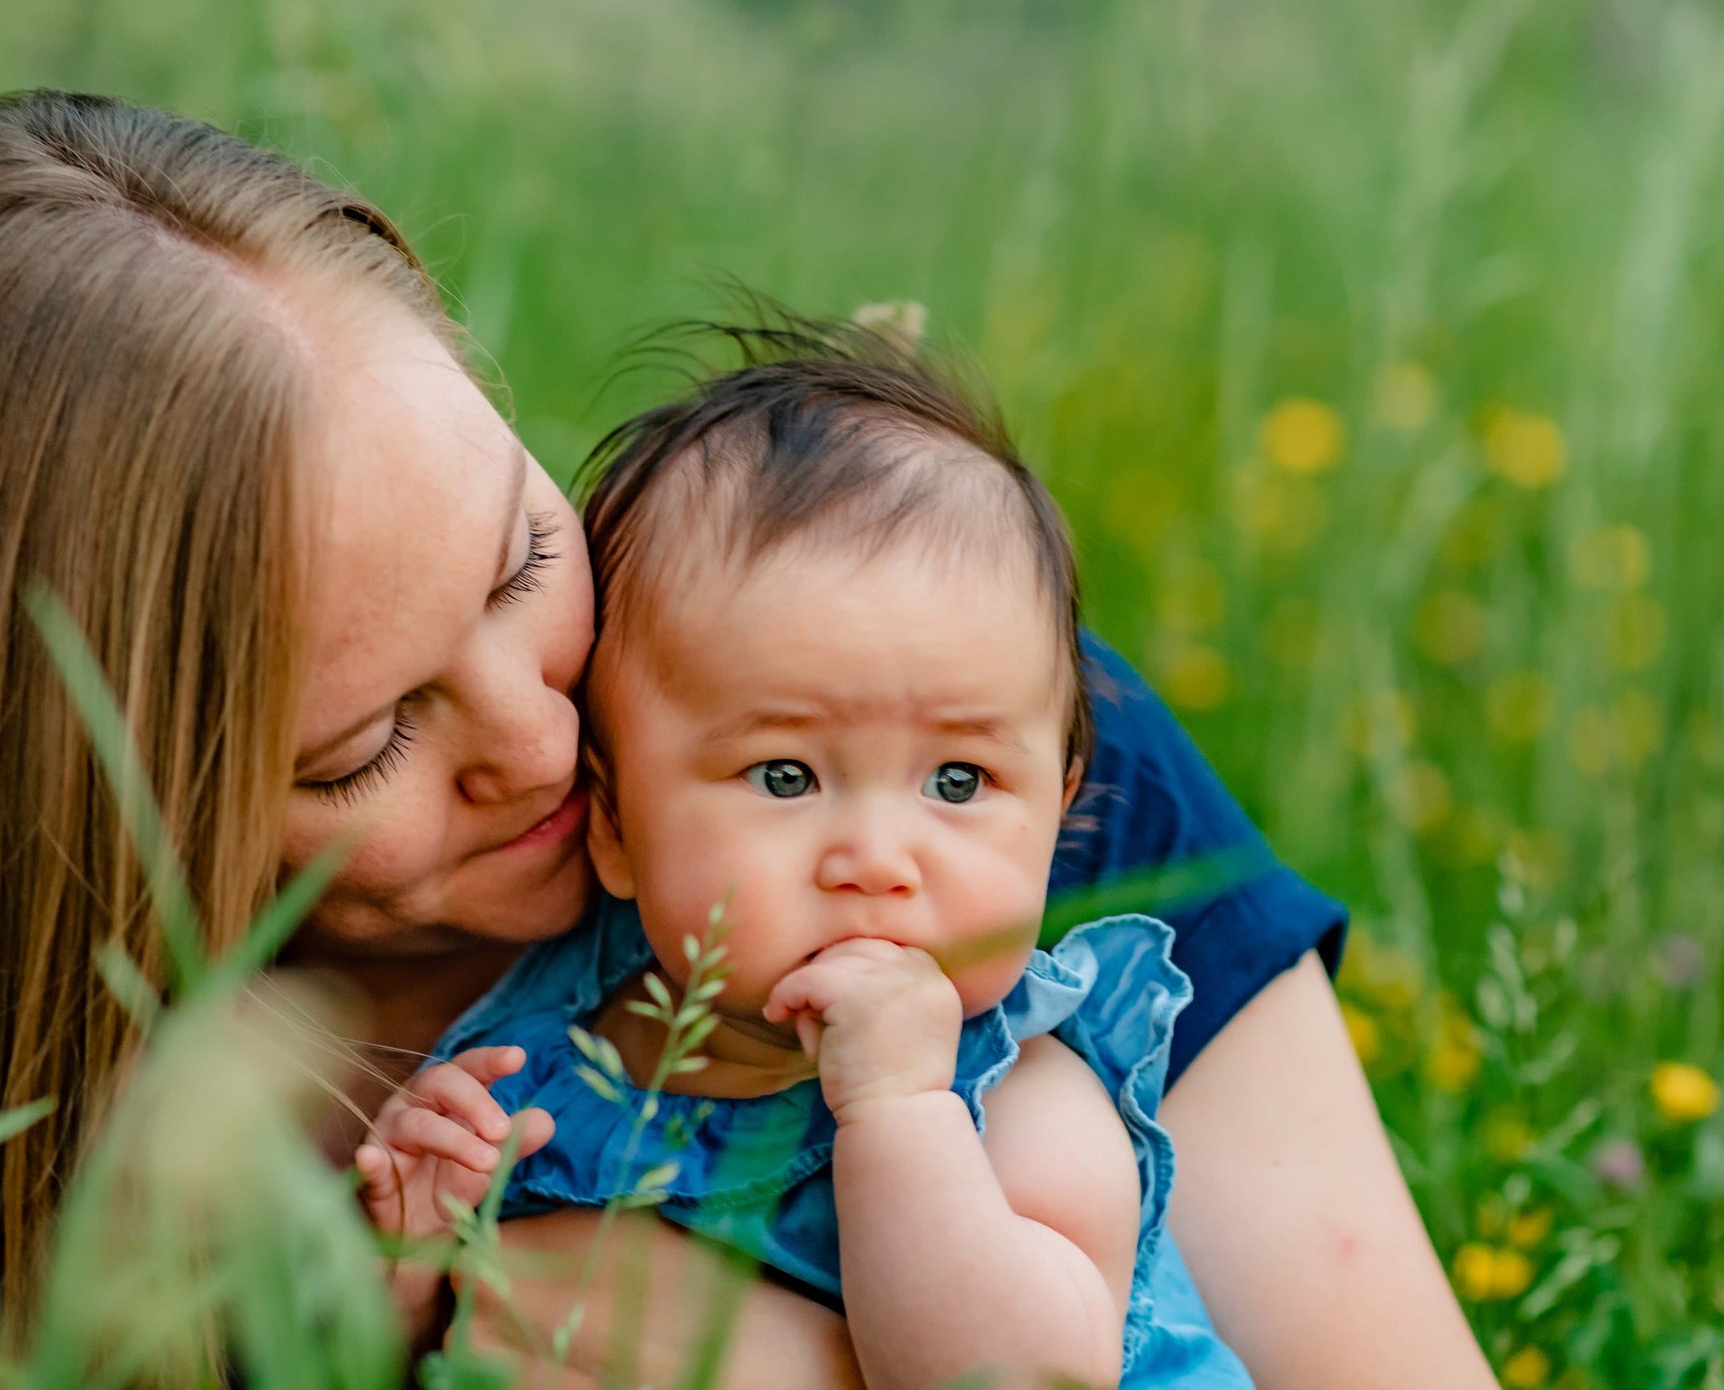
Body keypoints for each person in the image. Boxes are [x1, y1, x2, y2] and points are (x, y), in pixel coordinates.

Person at [0, 89, 1497, 1385]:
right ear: (76, 809)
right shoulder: (51, 1154)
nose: (546, 744)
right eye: (360, 744)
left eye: (517, 561)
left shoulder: (931, 750)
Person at [355, 319, 1249, 1386]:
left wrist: (898, 1116)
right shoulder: (533, 1067)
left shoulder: (1014, 1101)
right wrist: (406, 1267)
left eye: (957, 782)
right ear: (613, 823)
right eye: (785, 775)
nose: (875, 859)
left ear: (1056, 813)